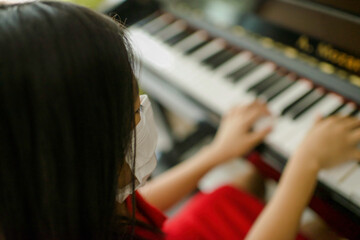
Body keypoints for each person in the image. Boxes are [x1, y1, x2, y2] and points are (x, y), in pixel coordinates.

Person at [0, 1, 359, 240]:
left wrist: (214, 154)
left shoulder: (50, 208)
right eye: (133, 115)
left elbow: (127, 210)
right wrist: (304, 163)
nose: (141, 114)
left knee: (232, 190)